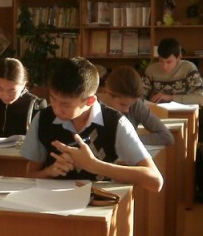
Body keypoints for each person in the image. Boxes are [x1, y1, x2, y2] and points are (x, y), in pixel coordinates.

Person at [21, 57, 163, 191]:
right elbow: (30, 176)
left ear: (89, 101)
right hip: (52, 202)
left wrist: (94, 165)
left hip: (100, 204)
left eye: (66, 104)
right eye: (53, 99)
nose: (56, 108)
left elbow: (155, 181)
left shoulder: (115, 123)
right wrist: (49, 171)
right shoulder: (43, 119)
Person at [99, 65, 174, 146]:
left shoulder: (135, 105)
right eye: (122, 104)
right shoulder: (92, 106)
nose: (127, 110)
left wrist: (131, 141)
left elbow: (167, 137)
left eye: (130, 105)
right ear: (107, 92)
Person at [143, 37, 203, 106]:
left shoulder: (188, 68)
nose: (164, 66)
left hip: (183, 111)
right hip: (157, 111)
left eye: (169, 62)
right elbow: (139, 97)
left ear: (179, 58)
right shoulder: (151, 70)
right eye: (161, 61)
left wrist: (170, 98)